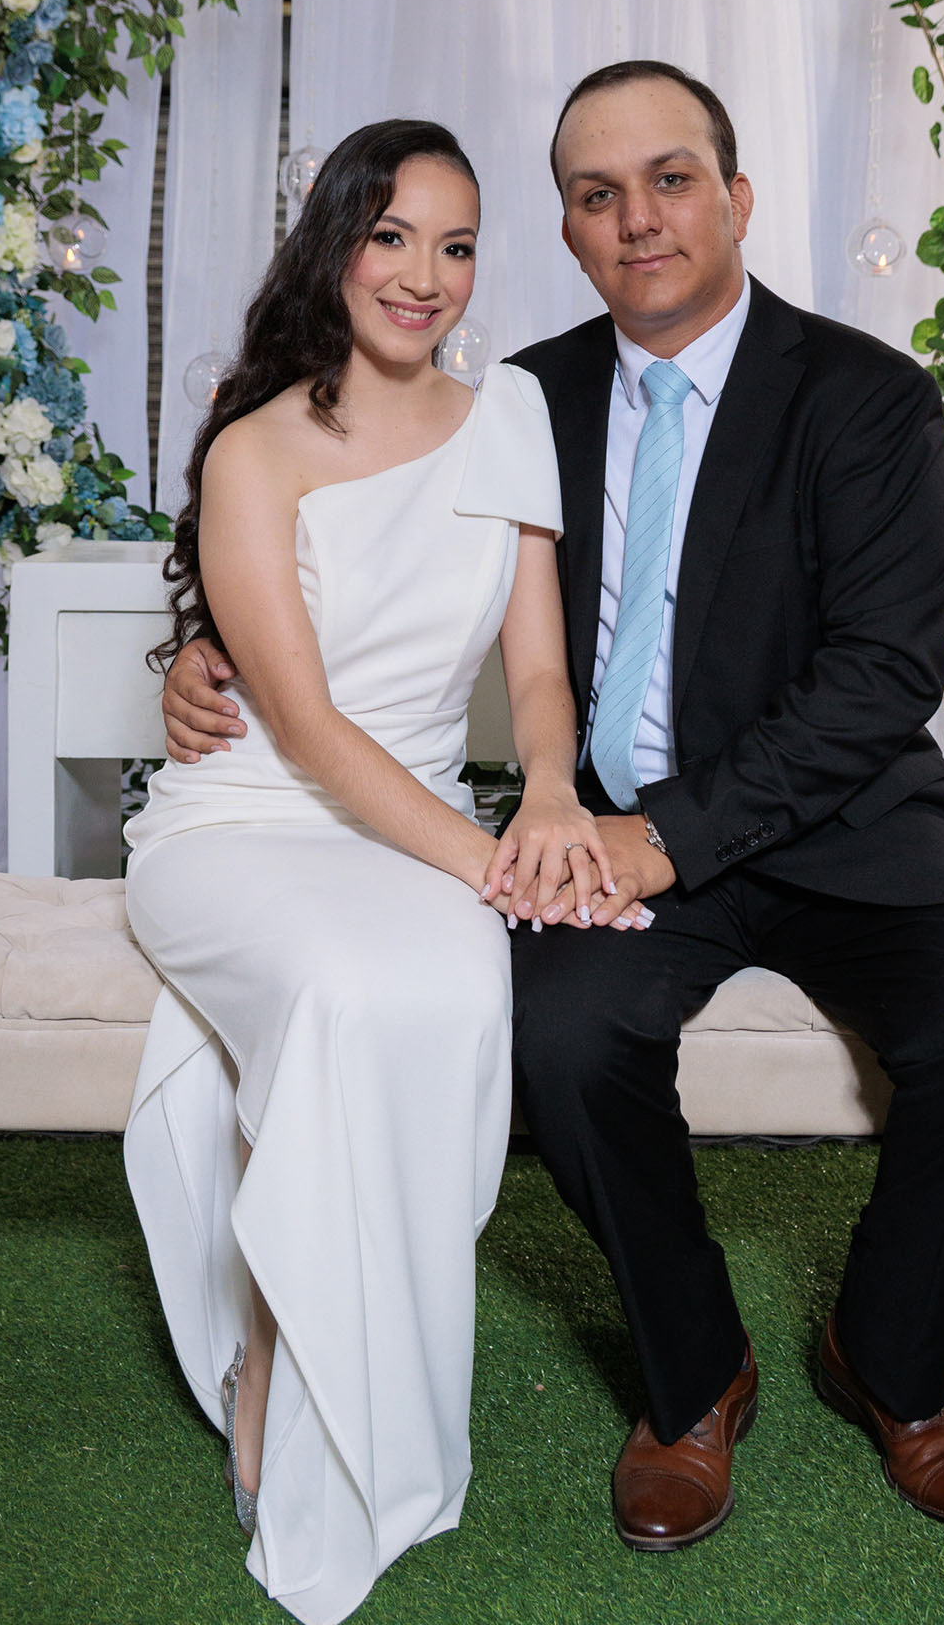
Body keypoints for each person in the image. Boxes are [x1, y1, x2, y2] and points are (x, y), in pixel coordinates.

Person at [163, 63, 944, 1556]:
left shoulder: (867, 397)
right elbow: (357, 560)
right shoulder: (524, 398)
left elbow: (877, 683)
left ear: (738, 198)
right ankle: (694, 1375)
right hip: (602, 834)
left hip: (844, 824)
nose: (637, 217)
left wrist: (665, 839)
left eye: (670, 179)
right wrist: (213, 657)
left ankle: (895, 1361)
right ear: (570, 233)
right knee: (566, 1035)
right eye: (598, 195)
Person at [123, 117, 642, 1625]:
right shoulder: (257, 443)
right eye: (393, 235)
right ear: (335, 244)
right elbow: (300, 724)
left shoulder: (510, 415)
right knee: (348, 989)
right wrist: (498, 869)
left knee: (452, 998)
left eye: (457, 245)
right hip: (248, 820)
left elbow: (537, 671)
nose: (426, 276)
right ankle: (275, 1352)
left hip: (419, 821)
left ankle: (335, 1355)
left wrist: (551, 800)